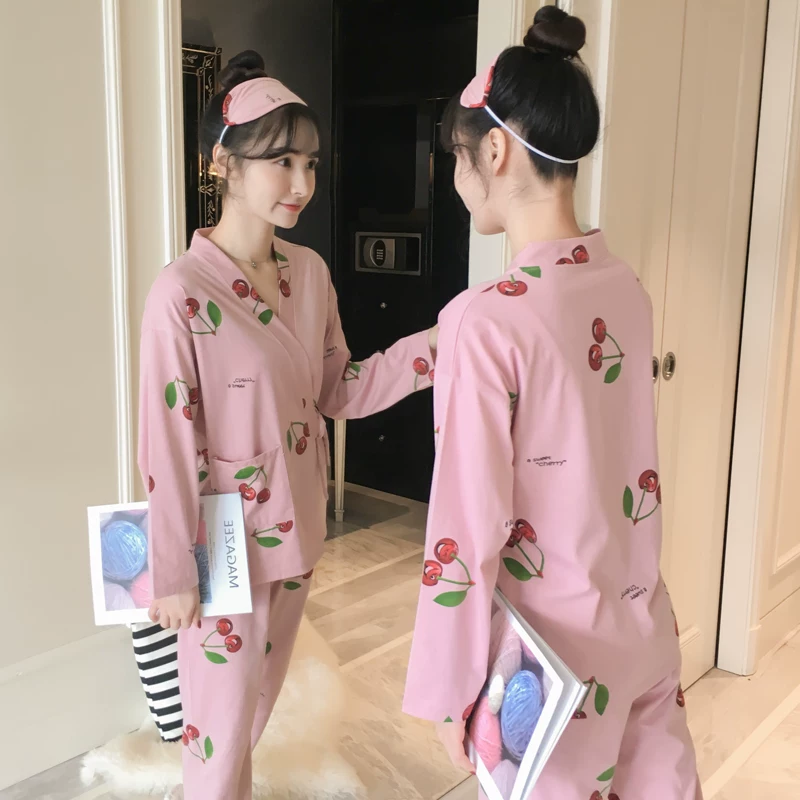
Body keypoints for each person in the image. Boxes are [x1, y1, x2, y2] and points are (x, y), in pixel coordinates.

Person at [403, 8, 702, 799]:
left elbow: (466, 527)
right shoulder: (624, 289)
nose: (458, 176)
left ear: (495, 151)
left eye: (459, 156)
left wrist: (451, 691)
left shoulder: (484, 321)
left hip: (551, 665)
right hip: (642, 626)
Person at [138, 50, 436, 799]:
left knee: (251, 717)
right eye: (282, 162)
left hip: (299, 534)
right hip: (221, 548)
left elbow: (338, 389)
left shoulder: (310, 274)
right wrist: (173, 571)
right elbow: (168, 442)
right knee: (217, 729)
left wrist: (437, 347)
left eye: (310, 163)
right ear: (223, 164)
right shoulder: (181, 294)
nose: (303, 183)